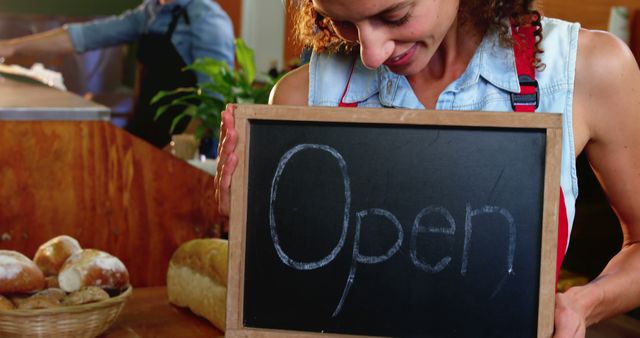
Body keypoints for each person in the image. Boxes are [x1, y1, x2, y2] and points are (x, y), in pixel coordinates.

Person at [215, 0, 640, 337]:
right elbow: (295, 296)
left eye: (394, 15)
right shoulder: (297, 98)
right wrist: (252, 227)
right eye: (343, 22)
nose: (372, 53)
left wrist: (583, 304)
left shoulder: (589, 71)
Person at [0, 0, 235, 148]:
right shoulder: (150, 12)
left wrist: (182, 148)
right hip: (144, 135)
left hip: (179, 143)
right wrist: (11, 47)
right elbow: (86, 35)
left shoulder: (206, 18)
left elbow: (214, 102)